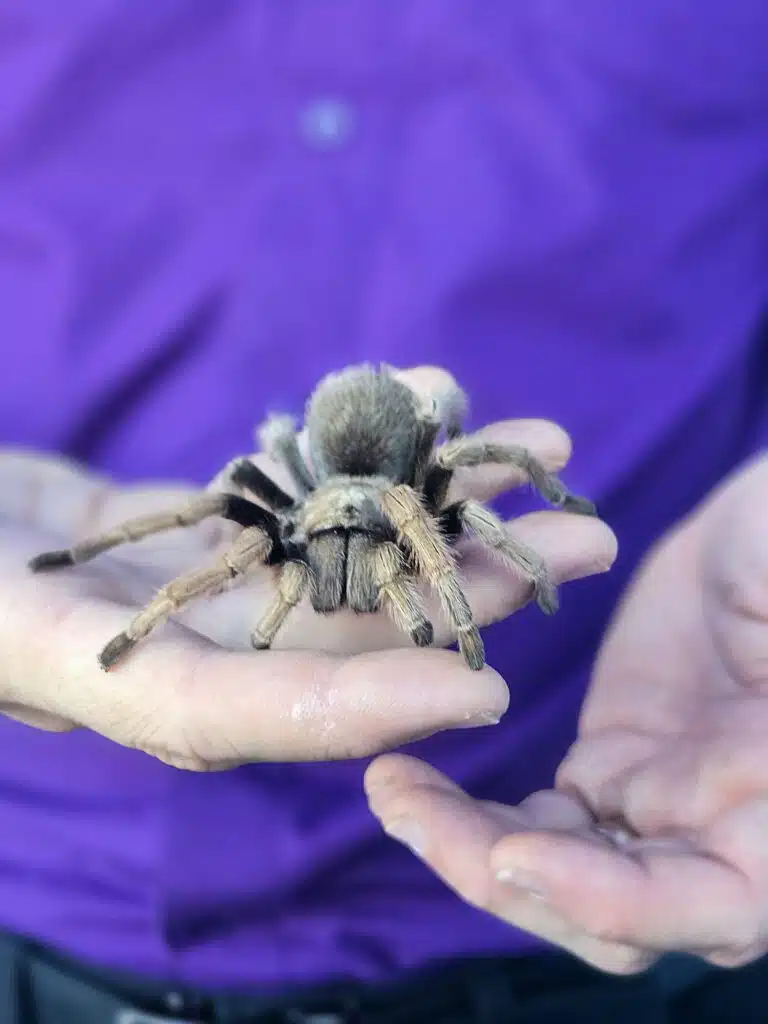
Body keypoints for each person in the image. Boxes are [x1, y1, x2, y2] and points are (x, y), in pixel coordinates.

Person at [0, 3, 766, 1021]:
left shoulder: (418, 493)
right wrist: (116, 577)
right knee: (218, 521)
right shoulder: (285, 504)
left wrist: (519, 556)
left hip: (582, 901)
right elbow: (227, 515)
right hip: (33, 907)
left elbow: (477, 469)